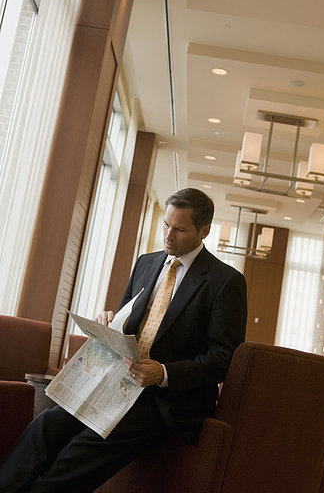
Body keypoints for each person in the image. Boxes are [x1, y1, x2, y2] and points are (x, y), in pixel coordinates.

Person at [0, 188, 247, 492]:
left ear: (204, 230)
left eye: (180, 229)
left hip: (164, 401)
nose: (168, 235)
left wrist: (164, 374)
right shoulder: (146, 263)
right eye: (166, 225)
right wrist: (111, 320)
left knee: (79, 452)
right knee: (46, 425)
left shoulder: (226, 282)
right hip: (115, 382)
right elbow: (128, 318)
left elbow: (223, 358)